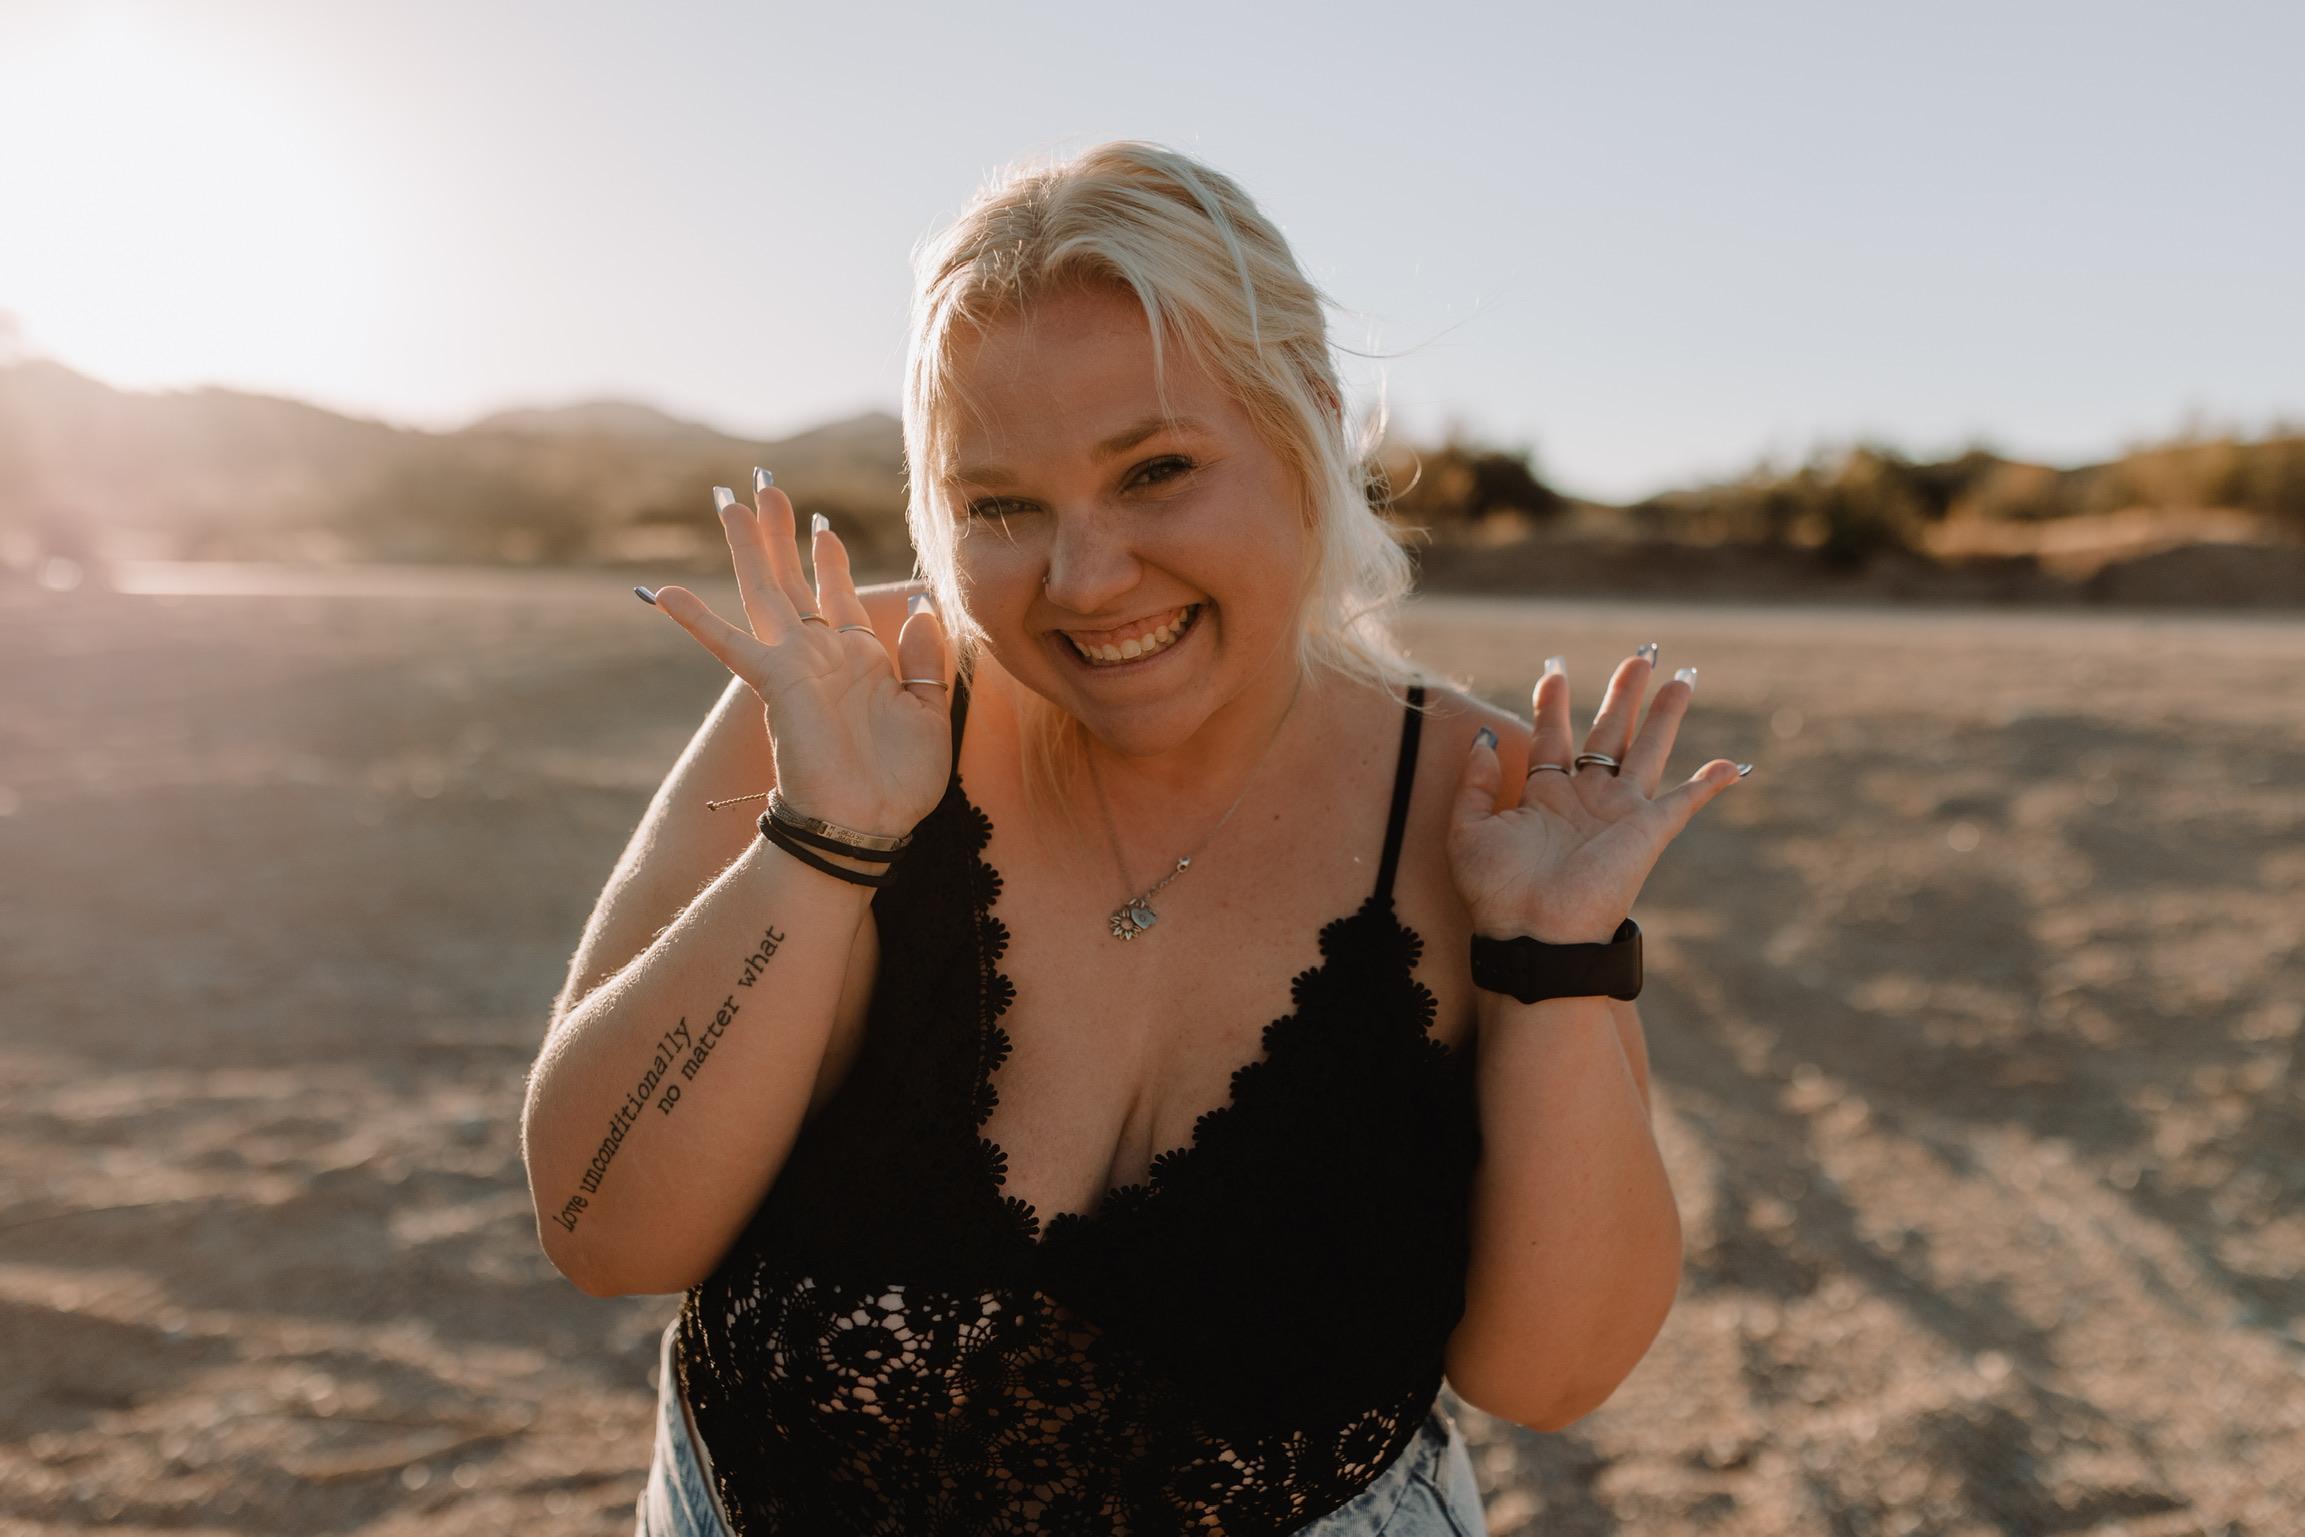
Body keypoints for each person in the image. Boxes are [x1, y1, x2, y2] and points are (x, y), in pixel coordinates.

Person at [521, 139, 1749, 1536]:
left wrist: (1554, 963)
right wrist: (822, 841)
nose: (1086, 579)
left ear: (1312, 423)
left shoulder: (1485, 810)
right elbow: (605, 1229)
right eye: (1000, 505)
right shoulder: (843, 702)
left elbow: (1550, 1376)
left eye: (1156, 471)